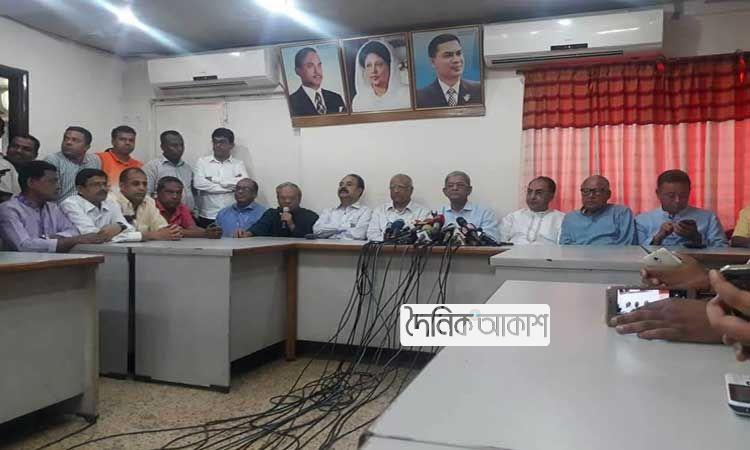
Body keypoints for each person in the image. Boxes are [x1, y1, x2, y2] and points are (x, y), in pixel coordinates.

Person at [0, 161, 103, 252]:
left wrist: (51, 239)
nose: (58, 186)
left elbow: (73, 231)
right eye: (52, 181)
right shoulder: (9, 209)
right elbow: (24, 245)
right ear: (31, 182)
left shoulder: (52, 208)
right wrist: (69, 241)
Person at [635, 170, 727, 248]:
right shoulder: (642, 221)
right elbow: (636, 252)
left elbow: (723, 250)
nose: (677, 200)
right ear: (658, 193)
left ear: (689, 192)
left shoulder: (709, 218)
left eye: (683, 195)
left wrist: (697, 238)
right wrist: (657, 238)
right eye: (671, 196)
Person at [60, 168, 142, 242]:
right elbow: (91, 234)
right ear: (80, 189)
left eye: (104, 184)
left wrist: (120, 226)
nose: (103, 188)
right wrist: (120, 232)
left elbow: (130, 229)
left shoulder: (111, 203)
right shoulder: (70, 204)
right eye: (96, 184)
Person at [193, 128, 248, 228]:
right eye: (215, 142)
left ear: (231, 145)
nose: (218, 145)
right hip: (208, 215)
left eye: (222, 142)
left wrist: (214, 179)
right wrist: (230, 187)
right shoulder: (202, 162)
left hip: (232, 214)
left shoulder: (238, 164)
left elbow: (243, 185)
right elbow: (198, 184)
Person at [559, 175, 636, 245]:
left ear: (608, 194)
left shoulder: (621, 213)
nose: (591, 196)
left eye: (597, 191)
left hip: (613, 256)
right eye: (586, 191)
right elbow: (565, 246)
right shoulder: (570, 218)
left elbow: (627, 245)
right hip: (577, 256)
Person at [111, 168, 182, 241]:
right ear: (122, 186)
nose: (142, 188)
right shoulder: (111, 201)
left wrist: (172, 231)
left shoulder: (149, 201)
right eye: (136, 184)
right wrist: (153, 235)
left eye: (144, 184)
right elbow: (115, 236)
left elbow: (163, 229)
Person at [415, 34, 481, 108]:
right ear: (433, 62)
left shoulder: (479, 89)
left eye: (459, 53)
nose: (456, 60)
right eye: (448, 55)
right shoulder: (420, 97)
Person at [437, 171, 499, 241]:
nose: (455, 188)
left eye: (460, 185)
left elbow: (492, 239)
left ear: (469, 190)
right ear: (445, 191)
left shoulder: (485, 213)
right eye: (450, 185)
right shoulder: (437, 214)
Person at [500, 176, 565, 245]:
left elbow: (563, 247)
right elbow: (500, 243)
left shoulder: (561, 219)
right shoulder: (513, 217)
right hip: (514, 251)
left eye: (539, 193)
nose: (532, 196)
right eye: (529, 192)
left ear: (551, 196)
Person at [351, 40, 410, 112]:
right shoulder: (359, 101)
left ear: (390, 66)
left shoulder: (407, 95)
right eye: (369, 66)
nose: (373, 71)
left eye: (379, 64)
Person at [367, 174, 430, 241]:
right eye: (392, 187)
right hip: (382, 247)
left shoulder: (423, 212)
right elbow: (371, 235)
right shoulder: (379, 211)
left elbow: (423, 237)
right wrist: (389, 242)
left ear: (411, 190)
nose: (396, 190)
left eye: (400, 187)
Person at [44, 126, 101, 201]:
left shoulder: (94, 160)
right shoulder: (53, 160)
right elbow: (50, 196)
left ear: (87, 147)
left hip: (88, 205)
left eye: (75, 140)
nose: (68, 142)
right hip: (62, 206)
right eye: (66, 139)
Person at [143, 130, 195, 211]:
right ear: (162, 147)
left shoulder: (187, 168)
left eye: (181, 145)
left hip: (186, 214)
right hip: (162, 215)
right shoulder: (152, 167)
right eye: (174, 145)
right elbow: (146, 195)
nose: (180, 148)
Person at [156, 176, 221, 239]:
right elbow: (165, 231)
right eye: (170, 192)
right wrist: (205, 233)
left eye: (178, 192)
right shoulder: (152, 206)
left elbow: (193, 228)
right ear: (158, 192)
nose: (175, 196)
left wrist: (210, 232)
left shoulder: (181, 207)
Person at [245, 182, 318, 238]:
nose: (287, 201)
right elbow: (258, 229)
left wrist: (291, 225)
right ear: (278, 199)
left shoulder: (310, 216)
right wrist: (247, 233)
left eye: (292, 198)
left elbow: (311, 238)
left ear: (299, 199)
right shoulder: (271, 214)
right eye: (283, 198)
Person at [288, 47, 346, 116]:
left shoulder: (336, 98)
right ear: (298, 71)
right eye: (310, 66)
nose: (317, 71)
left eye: (319, 65)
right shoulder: (291, 102)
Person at [312, 174, 372, 240]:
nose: (343, 187)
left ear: (359, 191)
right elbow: (317, 230)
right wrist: (344, 228)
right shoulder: (329, 211)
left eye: (349, 184)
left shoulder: (365, 212)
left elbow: (359, 235)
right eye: (341, 184)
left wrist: (330, 235)